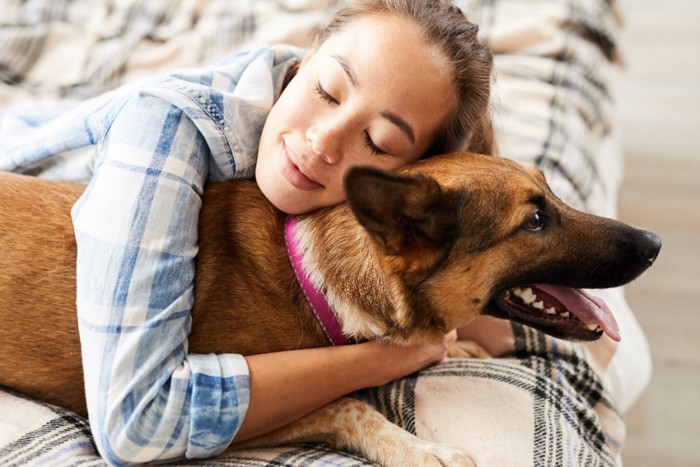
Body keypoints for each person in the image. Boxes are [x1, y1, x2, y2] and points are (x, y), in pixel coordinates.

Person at [0, 0, 494, 463]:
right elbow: (137, 422)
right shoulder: (163, 133)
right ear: (308, 56)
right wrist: (380, 361)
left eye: (377, 141)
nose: (322, 139)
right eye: (327, 91)